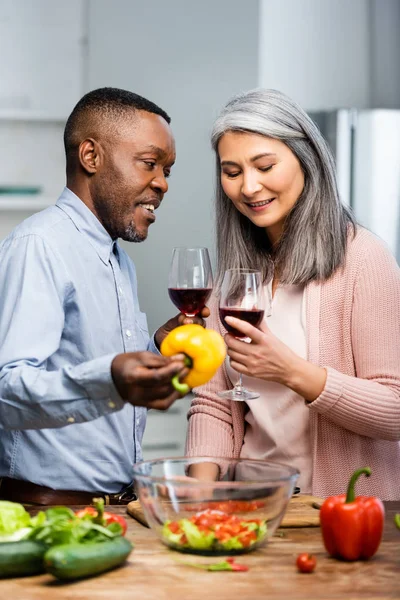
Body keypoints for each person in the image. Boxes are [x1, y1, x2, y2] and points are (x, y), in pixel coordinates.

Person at [185, 88, 400, 500]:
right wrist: (196, 498)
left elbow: (394, 409)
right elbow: (214, 403)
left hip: (336, 513)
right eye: (232, 172)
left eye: (265, 165)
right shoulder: (234, 275)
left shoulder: (363, 259)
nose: (249, 186)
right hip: (248, 505)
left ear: (307, 159)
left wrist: (291, 371)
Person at [0, 87, 206, 505]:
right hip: (48, 512)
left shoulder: (117, 259)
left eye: (167, 169)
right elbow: (6, 389)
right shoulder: (39, 245)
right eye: (150, 163)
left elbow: (83, 361)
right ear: (91, 156)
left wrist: (155, 353)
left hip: (110, 508)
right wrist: (111, 380)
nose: (162, 183)